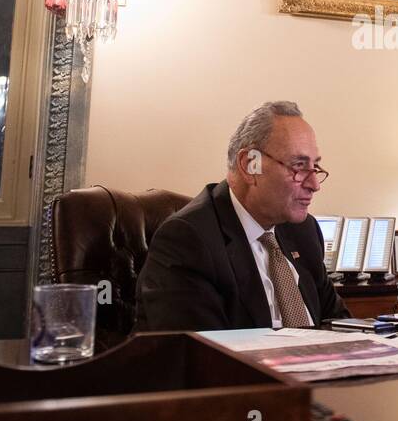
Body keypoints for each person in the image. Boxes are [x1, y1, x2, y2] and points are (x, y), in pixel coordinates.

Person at [136, 101, 350, 332]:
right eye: (299, 166)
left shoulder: (303, 230)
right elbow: (202, 356)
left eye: (315, 167)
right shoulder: (188, 240)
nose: (314, 184)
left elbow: (337, 323)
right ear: (250, 165)